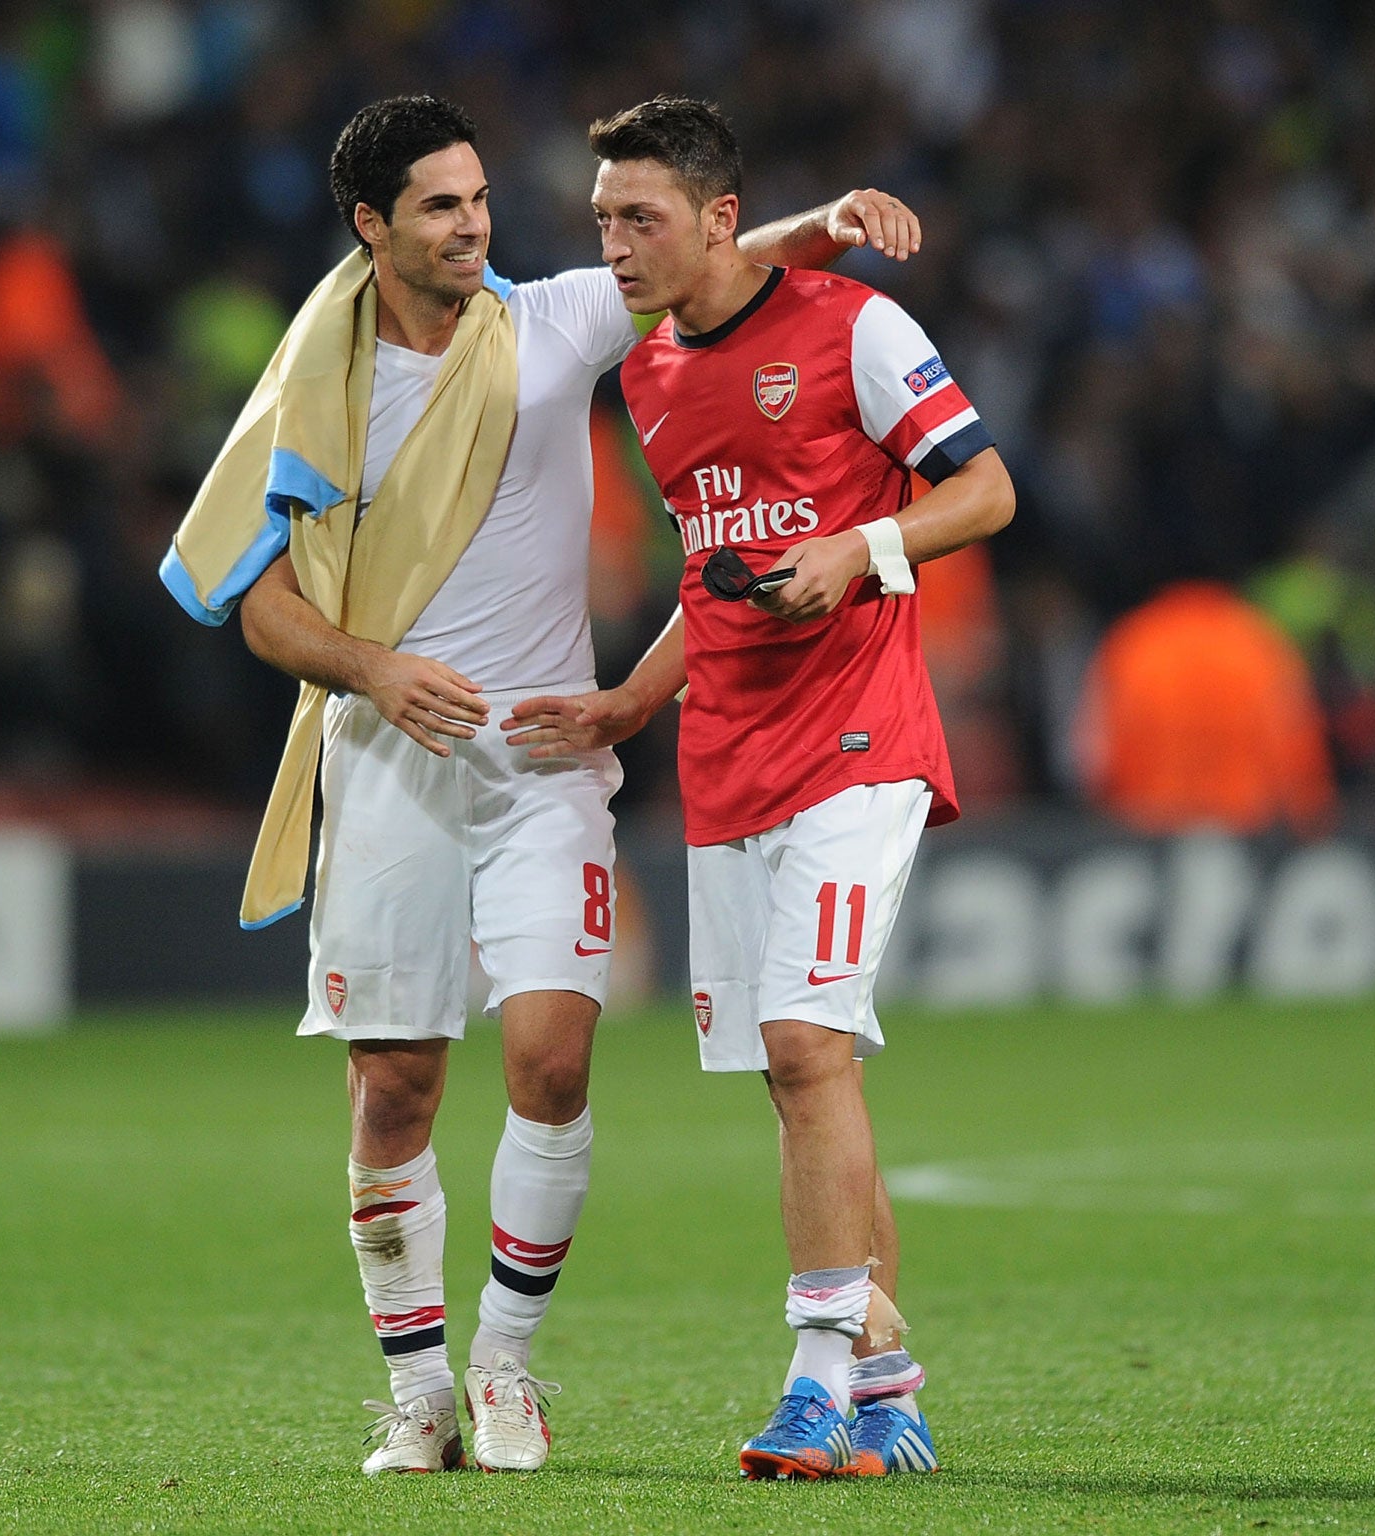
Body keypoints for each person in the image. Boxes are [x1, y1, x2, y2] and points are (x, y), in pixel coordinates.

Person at [158, 94, 925, 1475]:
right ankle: (418, 1391)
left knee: (553, 1063)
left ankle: (507, 1366)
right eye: (441, 206)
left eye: (480, 198)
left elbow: (707, 262)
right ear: (371, 226)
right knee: (394, 1087)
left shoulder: (558, 320)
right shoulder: (316, 379)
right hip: (388, 759)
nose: (474, 223)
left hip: (542, 766)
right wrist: (371, 669)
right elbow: (253, 603)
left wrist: (834, 223)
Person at [506, 95, 1015, 1479]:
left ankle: (811, 1380)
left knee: (804, 1044)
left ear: (720, 218)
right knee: (807, 1084)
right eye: (602, 218)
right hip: (727, 758)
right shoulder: (649, 378)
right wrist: (626, 701)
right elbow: (706, 571)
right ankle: (891, 1380)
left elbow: (984, 493)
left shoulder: (854, 327)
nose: (611, 245)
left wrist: (861, 552)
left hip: (861, 739)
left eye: (640, 218)